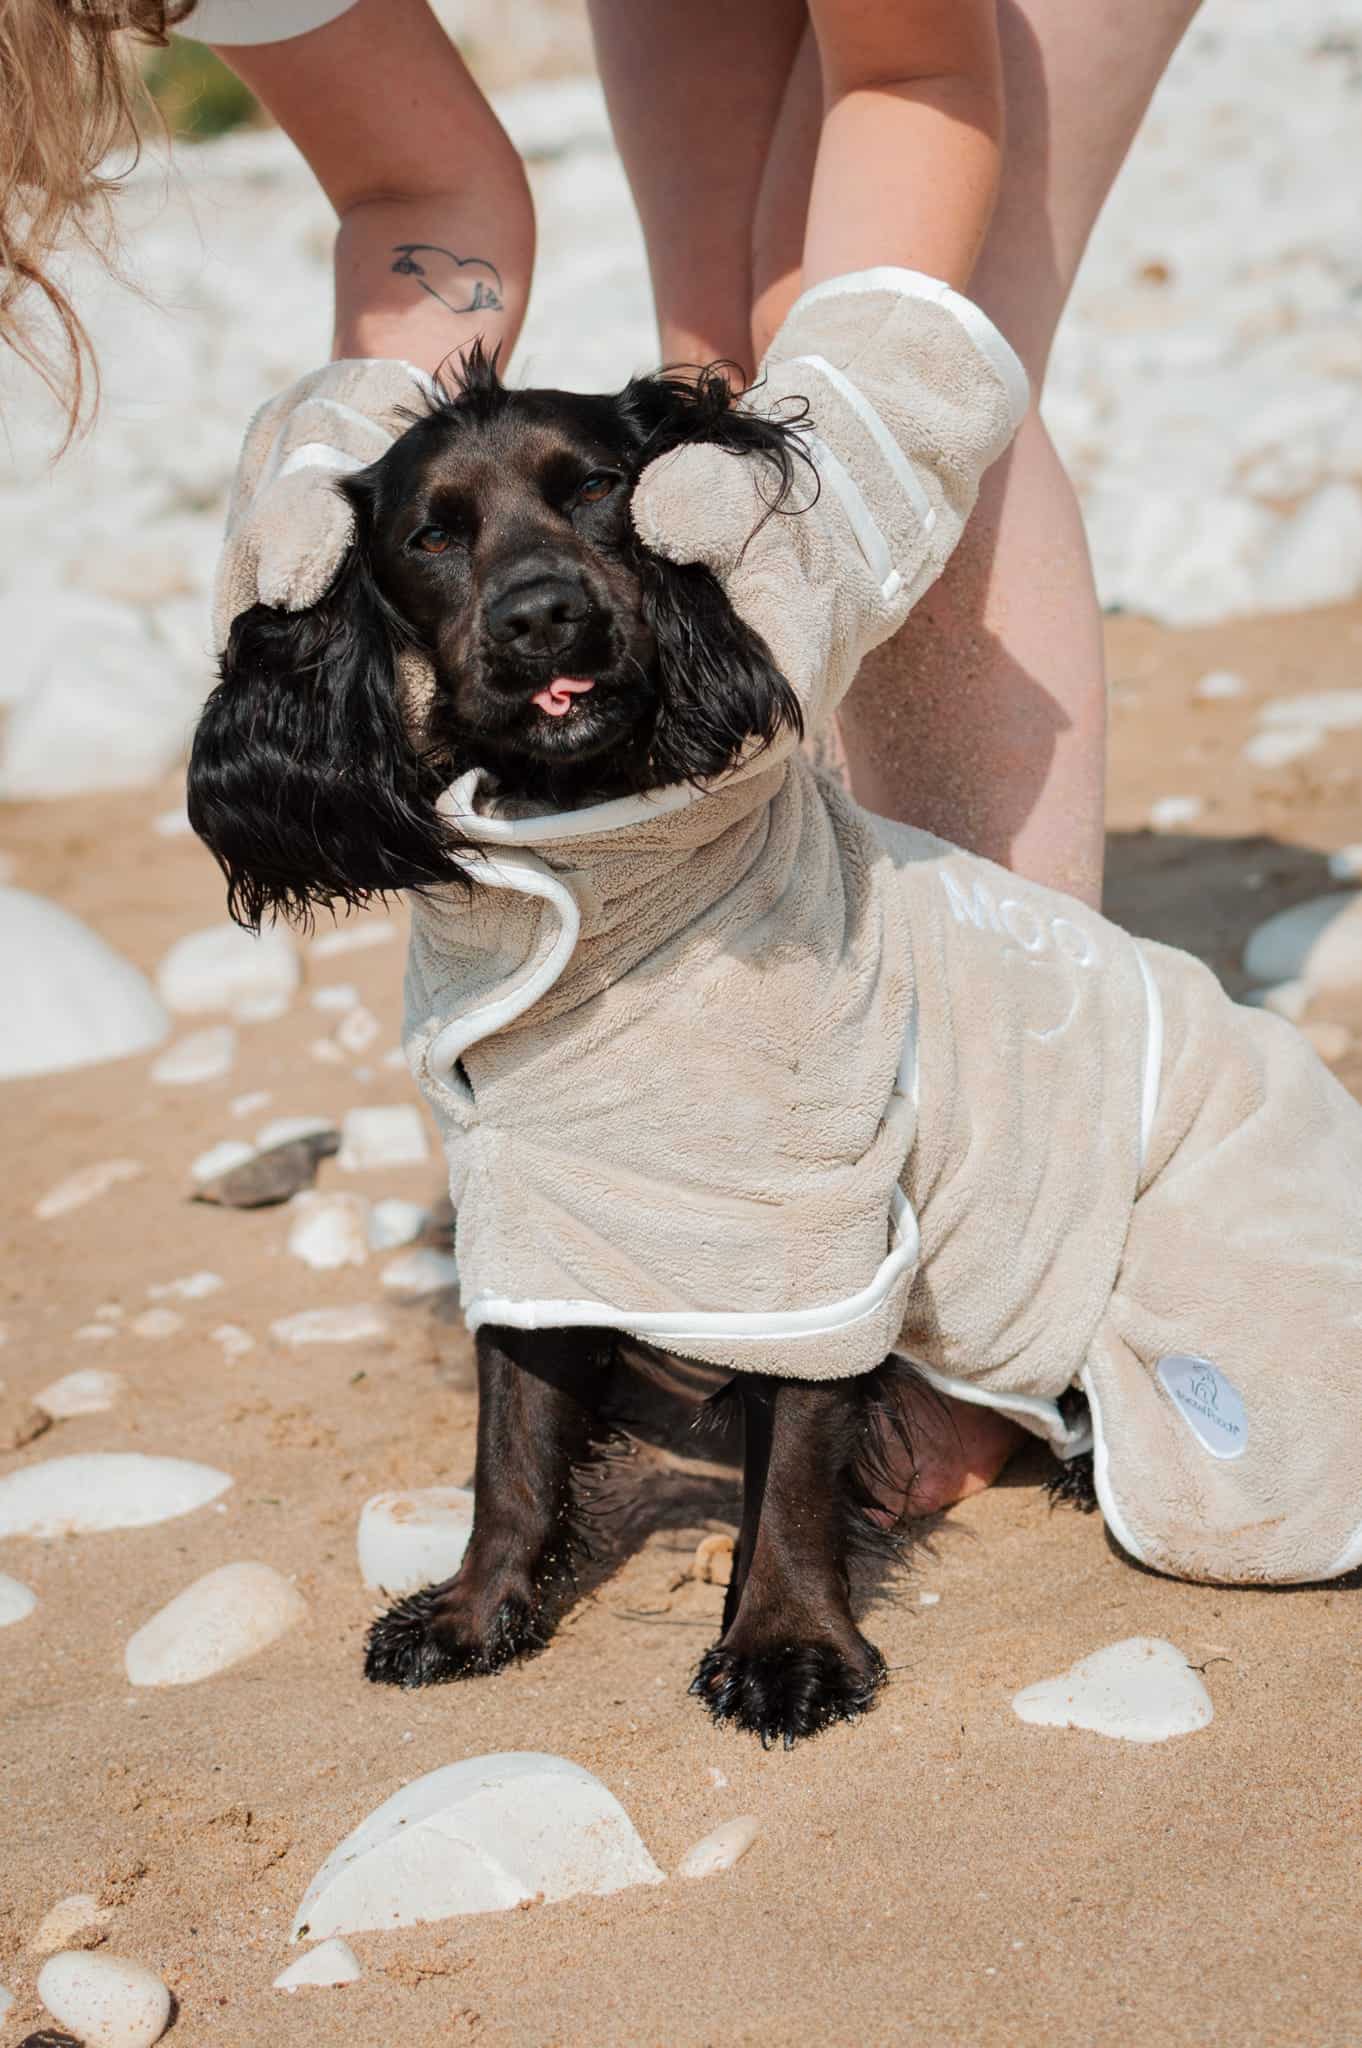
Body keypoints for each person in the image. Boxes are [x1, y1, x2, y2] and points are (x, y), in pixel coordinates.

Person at [2, 0, 1199, 1509]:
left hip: (949, 45)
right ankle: (805, 1149)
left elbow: (916, 74)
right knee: (719, 372)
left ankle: (1003, 1263)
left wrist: (851, 445)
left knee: (909, 350)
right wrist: (336, 443)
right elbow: (419, 190)